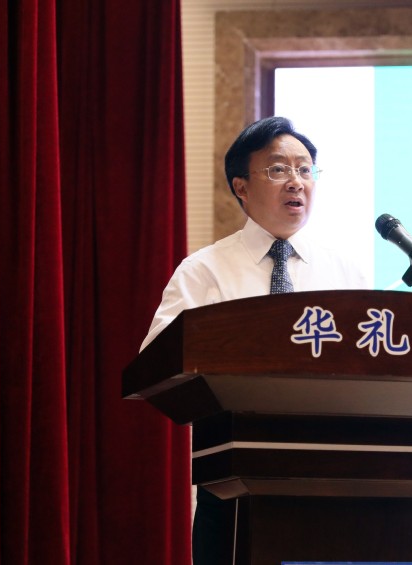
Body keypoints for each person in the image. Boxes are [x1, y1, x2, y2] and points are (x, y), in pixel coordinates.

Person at [139, 116, 369, 564]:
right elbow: (155, 363)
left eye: (305, 169)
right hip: (233, 481)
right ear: (241, 187)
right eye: (278, 169)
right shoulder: (204, 271)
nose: (296, 182)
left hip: (330, 480)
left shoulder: (344, 272)